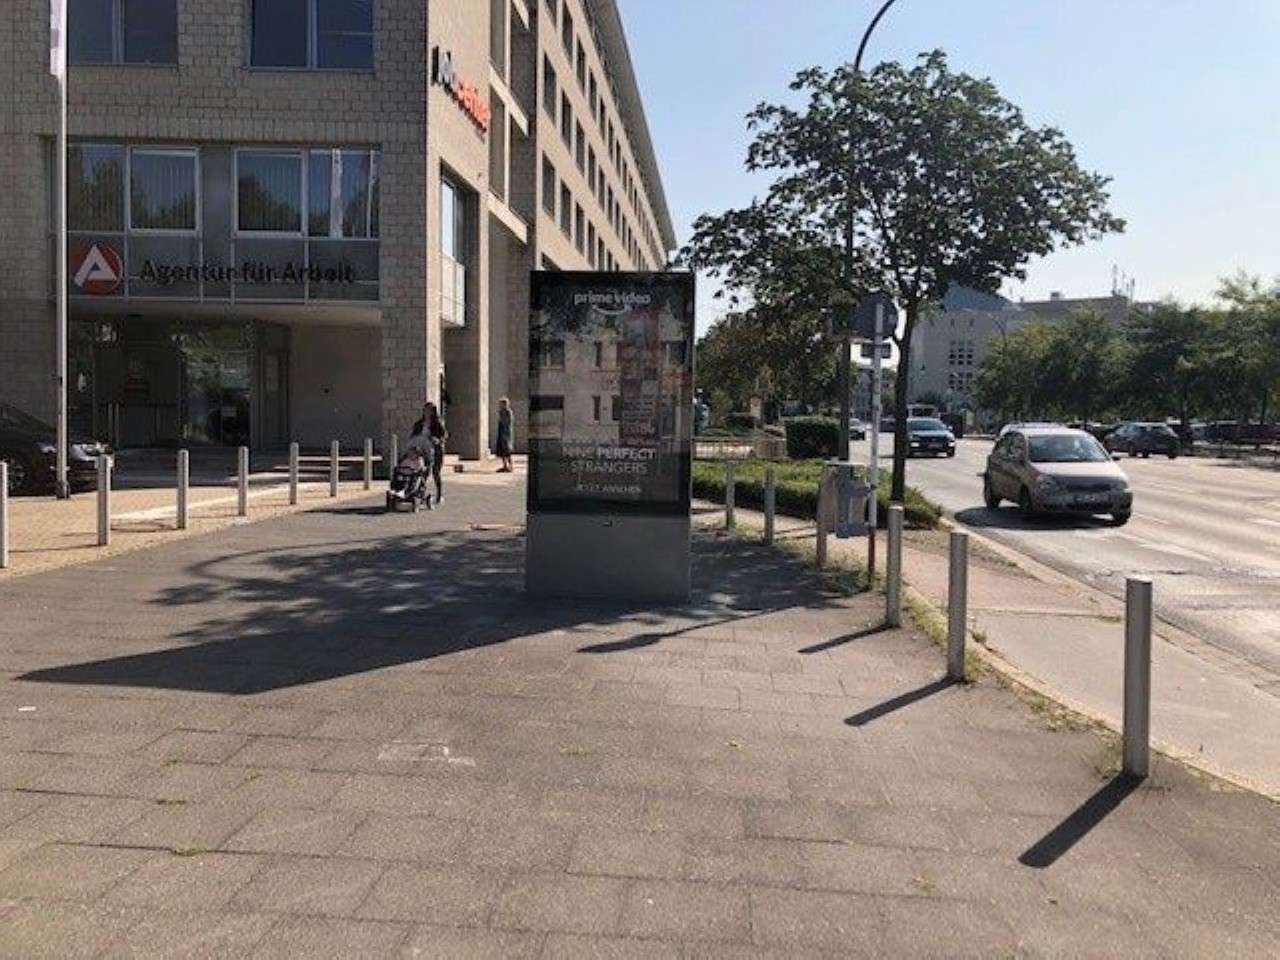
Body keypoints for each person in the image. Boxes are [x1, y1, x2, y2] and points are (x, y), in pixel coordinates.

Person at [411, 401, 447, 503]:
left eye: (429, 411)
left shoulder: (438, 423)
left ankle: (439, 494)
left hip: (435, 451)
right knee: (423, 472)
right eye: (425, 410)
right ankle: (420, 492)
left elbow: (444, 435)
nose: (427, 412)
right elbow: (413, 436)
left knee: (436, 472)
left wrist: (438, 440)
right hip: (422, 451)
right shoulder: (419, 424)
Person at [494, 396, 514, 472]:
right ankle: (504, 466)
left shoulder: (508, 412)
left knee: (507, 450)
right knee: (501, 450)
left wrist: (506, 434)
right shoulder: (501, 412)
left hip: (506, 432)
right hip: (501, 430)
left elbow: (508, 423)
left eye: (502, 404)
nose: (501, 405)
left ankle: (511, 466)